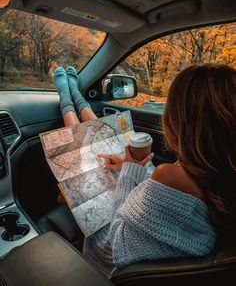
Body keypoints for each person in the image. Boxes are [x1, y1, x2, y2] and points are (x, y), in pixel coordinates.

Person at [53, 64, 236, 278]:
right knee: (103, 143)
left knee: (80, 150)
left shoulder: (170, 175)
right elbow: (168, 206)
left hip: (110, 251)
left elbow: (115, 239)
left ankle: (68, 99)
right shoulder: (220, 168)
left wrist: (130, 169)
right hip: (143, 240)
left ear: (179, 119)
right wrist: (130, 168)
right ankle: (74, 98)